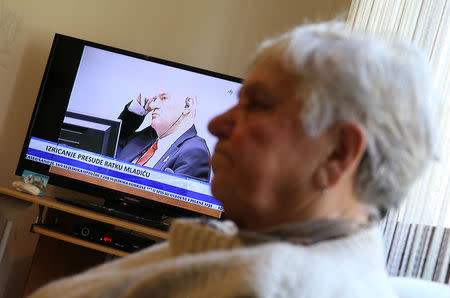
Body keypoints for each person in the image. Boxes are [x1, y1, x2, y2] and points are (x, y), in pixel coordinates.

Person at [29, 21, 434, 297]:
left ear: (339, 152)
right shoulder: (243, 249)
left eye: (256, 104)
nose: (219, 122)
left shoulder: (264, 285)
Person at [116, 90, 211, 182]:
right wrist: (138, 108)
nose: (153, 105)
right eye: (155, 99)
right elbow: (112, 145)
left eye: (164, 98)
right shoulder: (148, 135)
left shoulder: (195, 151)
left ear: (187, 105)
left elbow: (171, 197)